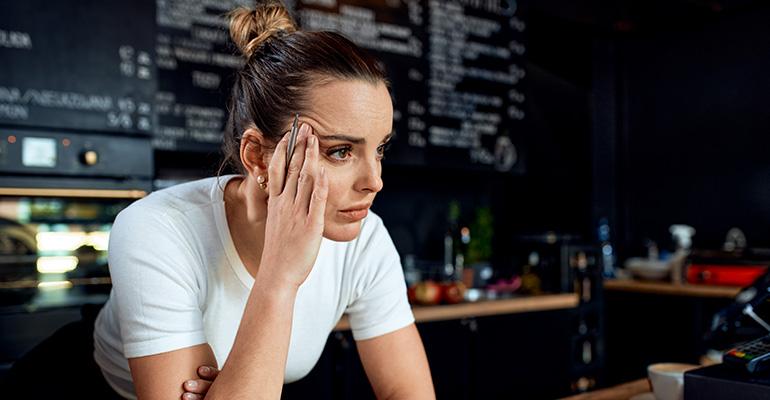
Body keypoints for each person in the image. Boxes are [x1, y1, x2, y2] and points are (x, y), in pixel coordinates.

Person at [91, 1, 434, 399]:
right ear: (257, 156)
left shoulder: (366, 240)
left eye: (380, 150)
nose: (374, 181)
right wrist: (279, 278)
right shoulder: (156, 229)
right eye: (340, 151)